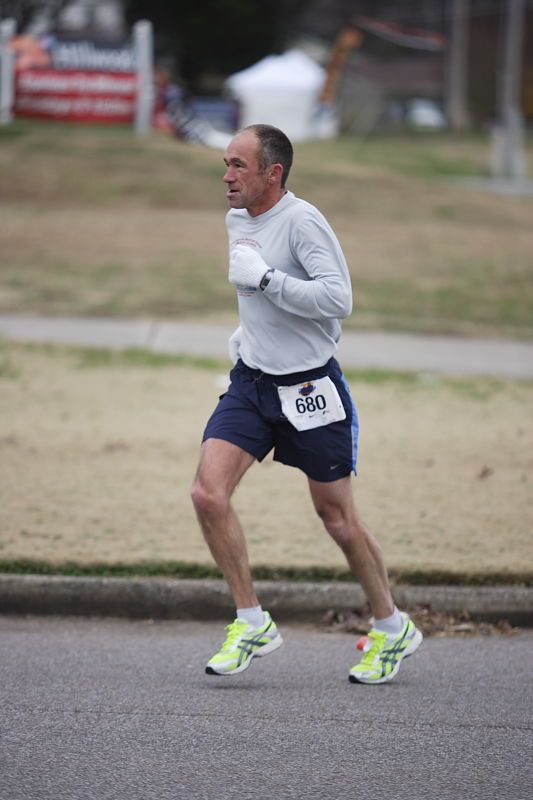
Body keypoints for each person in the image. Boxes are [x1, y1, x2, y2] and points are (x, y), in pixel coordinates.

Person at [190, 123, 422, 684]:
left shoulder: (303, 221)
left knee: (338, 519)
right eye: (226, 164)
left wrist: (268, 280)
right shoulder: (236, 219)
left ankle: (392, 629)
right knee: (207, 492)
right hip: (251, 382)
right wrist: (245, 337)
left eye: (239, 166)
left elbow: (338, 300)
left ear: (274, 173)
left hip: (310, 389)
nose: (227, 176)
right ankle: (252, 621)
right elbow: (258, 302)